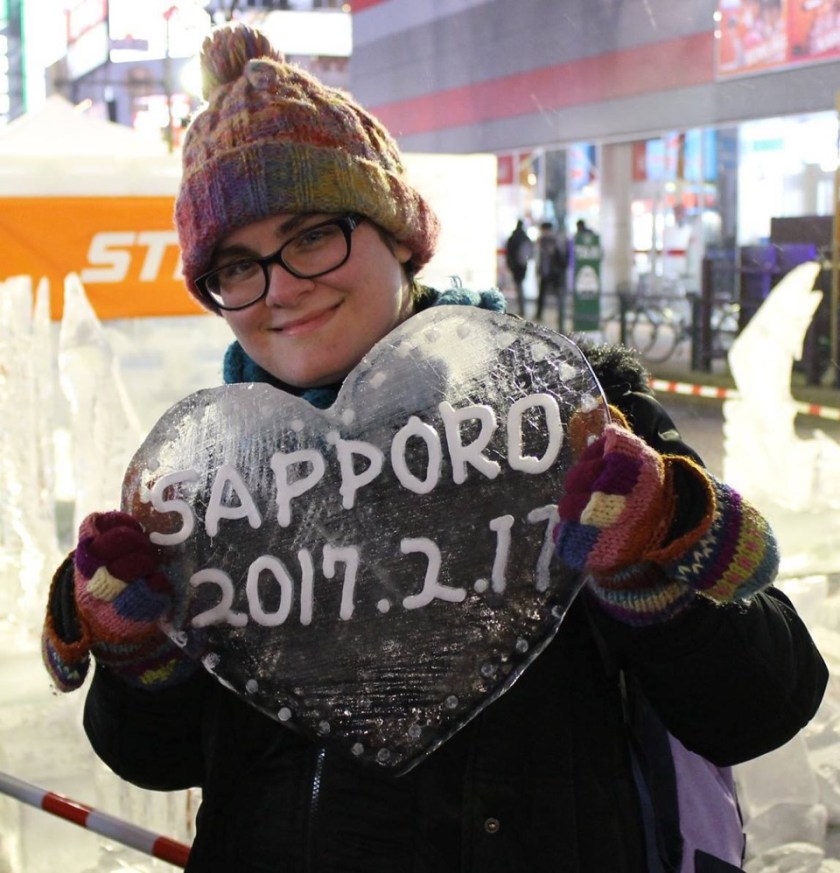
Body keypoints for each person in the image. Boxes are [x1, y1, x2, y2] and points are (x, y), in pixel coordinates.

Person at [41, 22, 827, 873]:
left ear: (399, 236)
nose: (283, 288)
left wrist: (649, 579)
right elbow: (160, 759)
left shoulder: (558, 408)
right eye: (237, 265)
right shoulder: (210, 482)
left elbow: (764, 701)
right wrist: (142, 659)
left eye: (312, 235)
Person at [534, 220, 568, 331]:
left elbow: (561, 258)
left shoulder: (555, 241)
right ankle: (541, 314)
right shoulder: (544, 240)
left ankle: (560, 316)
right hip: (547, 272)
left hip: (553, 272)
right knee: (543, 294)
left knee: (556, 295)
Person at [504, 218, 533, 316]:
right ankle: (522, 306)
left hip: (514, 264)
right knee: (520, 284)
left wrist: (509, 263)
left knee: (518, 284)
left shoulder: (512, 237)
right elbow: (530, 251)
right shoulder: (525, 237)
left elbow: (508, 252)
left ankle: (521, 306)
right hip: (523, 264)